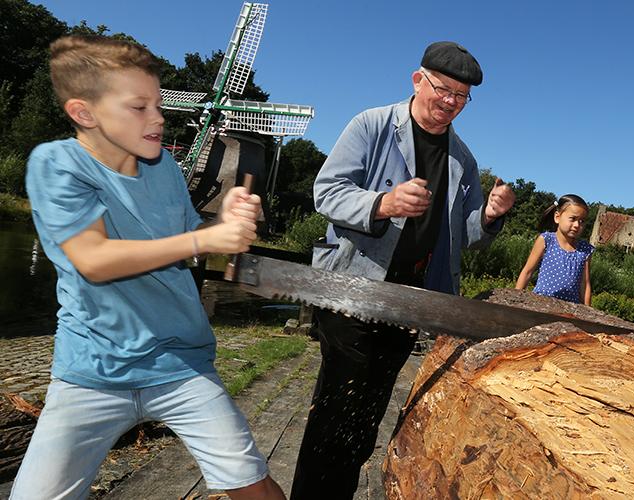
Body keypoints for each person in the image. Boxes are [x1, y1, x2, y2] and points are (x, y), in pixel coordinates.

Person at [14, 35, 284, 499]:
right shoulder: (57, 164)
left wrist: (228, 217)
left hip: (181, 362)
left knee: (252, 487)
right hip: (92, 371)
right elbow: (93, 260)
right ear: (85, 113)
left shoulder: (166, 170)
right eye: (139, 107)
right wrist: (205, 236)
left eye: (159, 104)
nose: (159, 117)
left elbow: (189, 243)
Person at [293, 41, 515, 498]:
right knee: (338, 409)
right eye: (443, 89)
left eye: (462, 95)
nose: (451, 102)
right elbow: (327, 192)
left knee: (368, 412)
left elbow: (464, 238)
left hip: (410, 299)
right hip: (354, 289)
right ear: (418, 80)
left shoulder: (464, 160)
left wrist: (491, 216)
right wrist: (382, 203)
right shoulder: (371, 126)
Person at [515, 194, 595, 305]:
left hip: (570, 308)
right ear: (557, 217)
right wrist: (515, 299)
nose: (577, 225)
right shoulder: (546, 240)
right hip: (541, 302)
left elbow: (585, 284)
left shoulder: (585, 250)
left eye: (582, 221)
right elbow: (527, 272)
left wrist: (587, 313)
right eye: (573, 219)